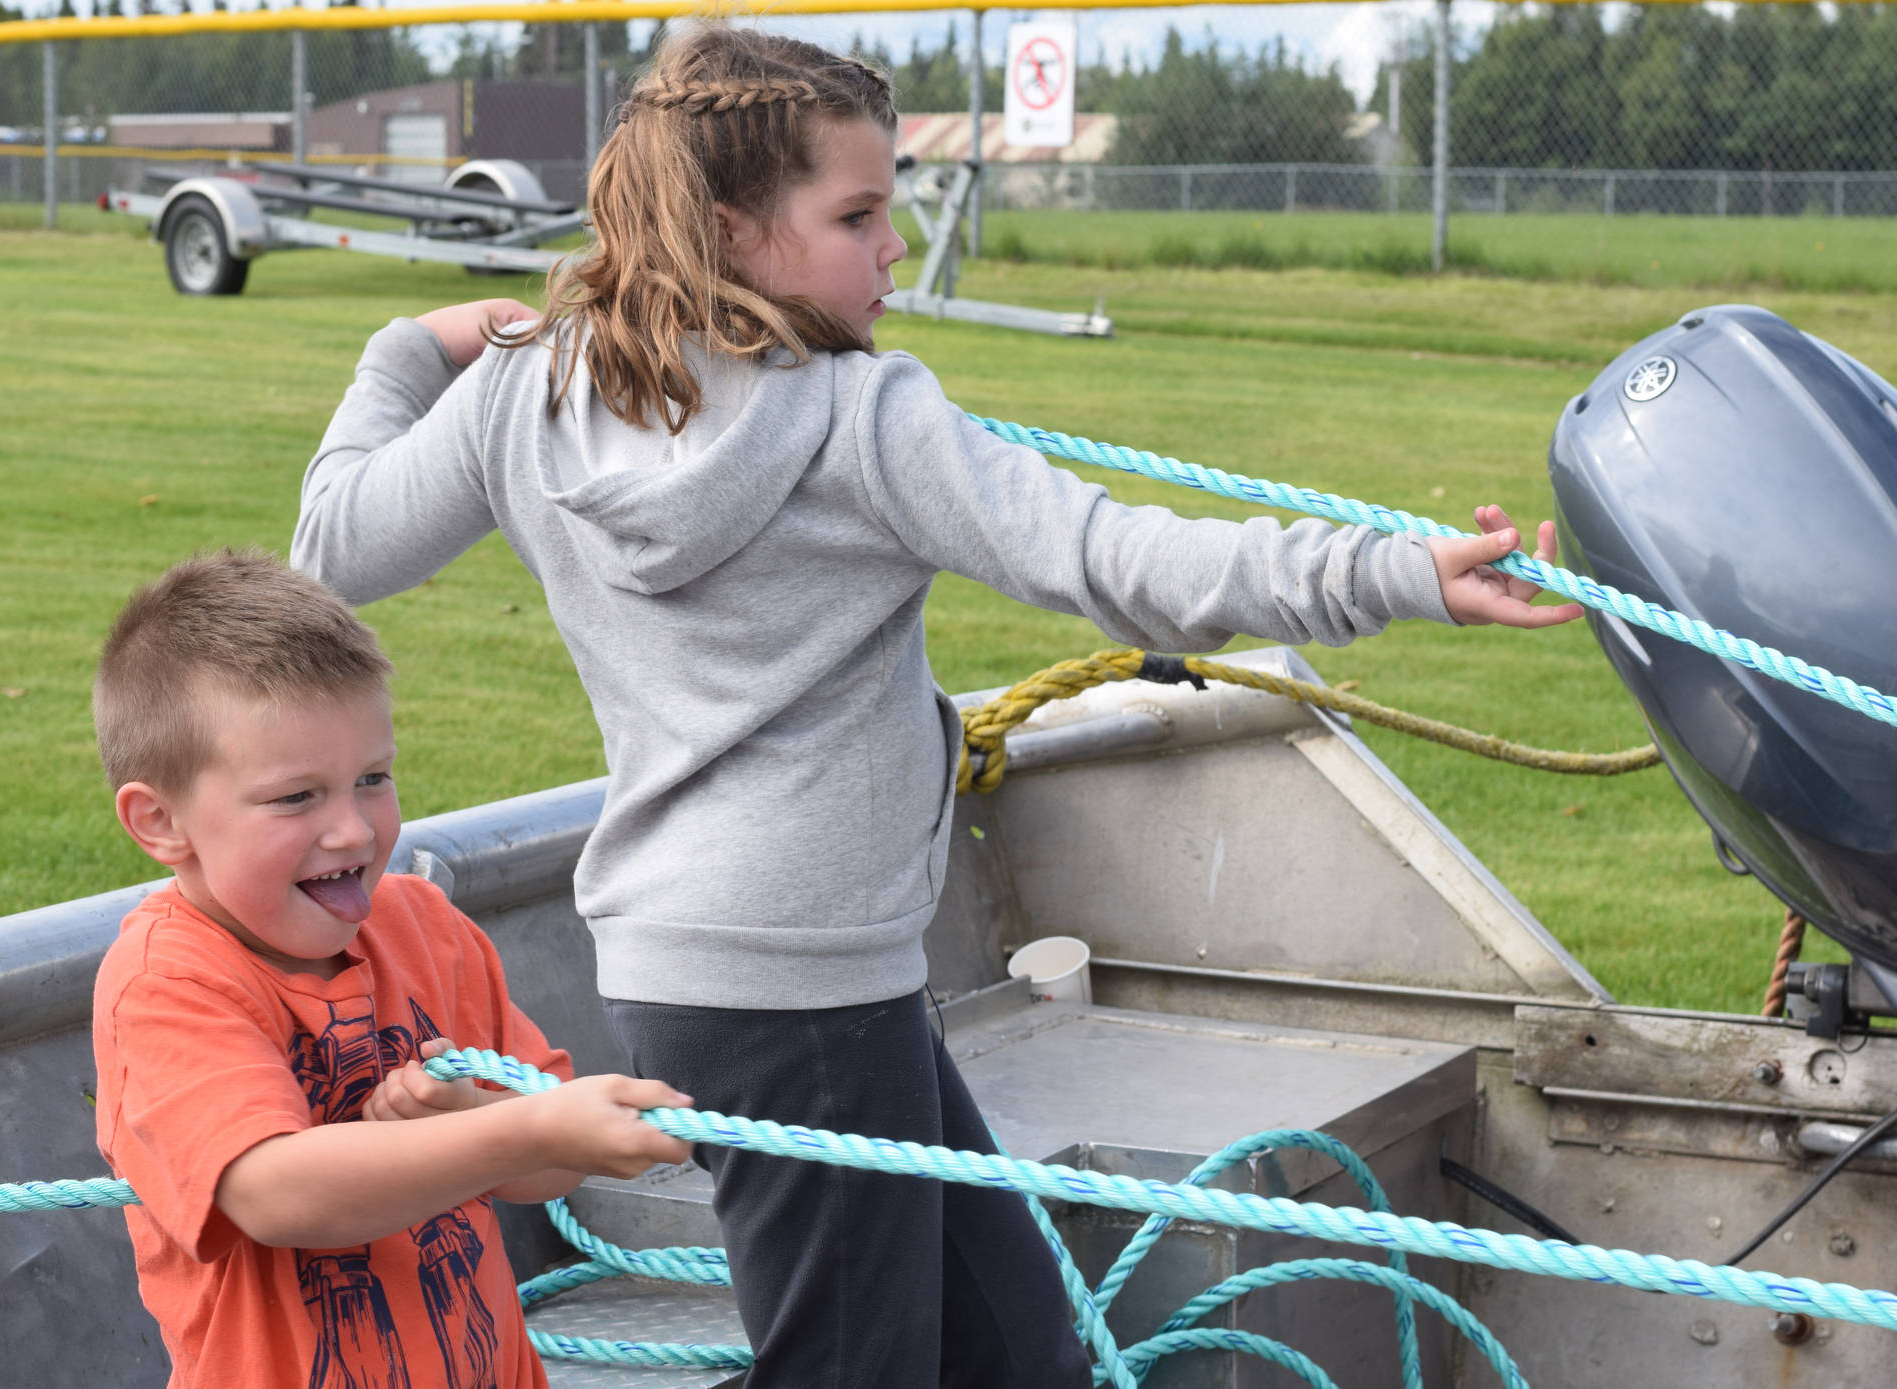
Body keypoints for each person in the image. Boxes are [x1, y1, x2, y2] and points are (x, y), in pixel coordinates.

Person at [290, 26, 1584, 1387]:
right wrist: (1399, 574)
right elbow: (1123, 562)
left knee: (1023, 1353)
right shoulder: (861, 418)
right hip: (807, 992)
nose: (894, 246)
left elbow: (334, 538)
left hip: (724, 979)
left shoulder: (524, 385)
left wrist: (405, 345)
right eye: (856, 215)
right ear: (732, 232)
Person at [88, 548, 693, 1389]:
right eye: (296, 796)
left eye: (373, 777)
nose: (354, 831)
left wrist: (482, 1118)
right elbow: (273, 1191)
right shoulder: (167, 981)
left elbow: (551, 1165)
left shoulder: (425, 931)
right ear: (160, 822)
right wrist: (510, 1129)